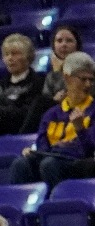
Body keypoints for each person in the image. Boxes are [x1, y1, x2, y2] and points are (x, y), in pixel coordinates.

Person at [10, 50, 95, 185]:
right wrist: (36, 153)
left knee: (49, 164)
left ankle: (58, 203)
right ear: (67, 78)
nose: (88, 85)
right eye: (83, 79)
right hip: (52, 157)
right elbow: (43, 145)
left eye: (91, 80)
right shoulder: (51, 114)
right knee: (20, 163)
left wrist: (80, 129)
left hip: (78, 162)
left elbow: (89, 151)